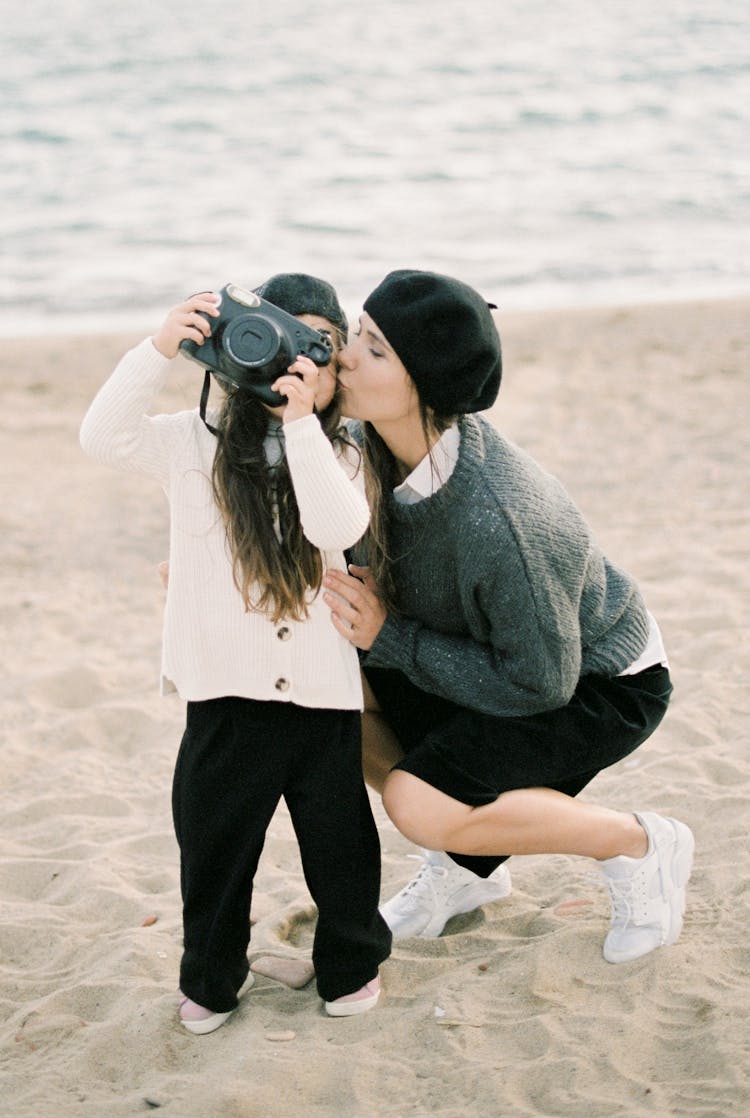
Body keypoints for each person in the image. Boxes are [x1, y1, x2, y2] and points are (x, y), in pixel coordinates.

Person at [321, 268, 694, 964]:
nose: (346, 357)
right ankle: (469, 873)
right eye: (355, 333)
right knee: (329, 704)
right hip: (476, 647)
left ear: (422, 387)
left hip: (598, 682)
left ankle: (639, 844)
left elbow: (540, 682)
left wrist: (390, 636)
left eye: (372, 350)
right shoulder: (371, 443)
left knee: (418, 801)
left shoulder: (502, 521)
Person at [80, 274, 391, 1034]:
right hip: (225, 691)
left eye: (312, 347)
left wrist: (301, 423)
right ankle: (211, 982)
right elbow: (103, 437)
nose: (289, 362)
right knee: (215, 849)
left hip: (319, 693)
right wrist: (161, 347)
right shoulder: (193, 445)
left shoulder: (341, 450)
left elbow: (332, 525)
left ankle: (348, 969)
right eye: (275, 337)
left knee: (339, 847)